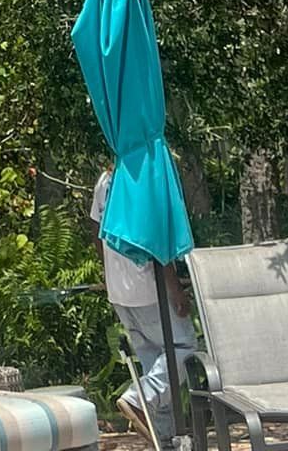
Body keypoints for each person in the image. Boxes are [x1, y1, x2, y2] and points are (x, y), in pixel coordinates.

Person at [91, 166, 196, 446]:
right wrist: (175, 289)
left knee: (154, 360)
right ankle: (139, 397)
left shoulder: (105, 181)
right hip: (149, 289)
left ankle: (163, 437)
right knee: (183, 347)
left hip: (120, 291)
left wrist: (109, 273)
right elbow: (157, 243)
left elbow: (96, 230)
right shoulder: (142, 179)